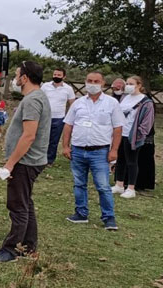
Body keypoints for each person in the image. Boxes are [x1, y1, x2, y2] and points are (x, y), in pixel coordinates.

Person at [0, 61, 51, 263]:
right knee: (25, 203)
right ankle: (28, 246)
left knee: (17, 206)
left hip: (26, 162)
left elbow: (29, 136)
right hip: (28, 161)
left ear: (24, 78)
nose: (15, 79)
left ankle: (11, 250)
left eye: (17, 75)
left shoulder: (33, 101)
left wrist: (10, 163)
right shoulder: (35, 98)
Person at [60, 72, 124, 231]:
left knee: (102, 186)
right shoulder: (78, 103)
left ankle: (109, 218)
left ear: (103, 84)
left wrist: (114, 150)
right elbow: (68, 125)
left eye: (96, 81)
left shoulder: (111, 103)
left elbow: (118, 128)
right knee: (79, 183)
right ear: (85, 82)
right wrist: (65, 146)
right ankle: (81, 213)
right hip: (78, 150)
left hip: (100, 152)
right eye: (89, 81)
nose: (93, 83)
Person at [112, 76, 156, 199]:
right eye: (127, 83)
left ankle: (131, 188)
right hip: (121, 133)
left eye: (131, 83)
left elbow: (147, 122)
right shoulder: (125, 98)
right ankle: (119, 184)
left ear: (139, 85)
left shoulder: (146, 102)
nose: (128, 85)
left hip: (133, 135)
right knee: (120, 160)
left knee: (132, 161)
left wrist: (139, 134)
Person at [40, 68, 76, 166]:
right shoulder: (45, 86)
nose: (56, 76)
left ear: (64, 77)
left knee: (54, 141)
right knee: (42, 139)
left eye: (59, 75)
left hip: (59, 118)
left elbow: (72, 103)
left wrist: (70, 117)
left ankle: (49, 161)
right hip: (45, 117)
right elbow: (40, 99)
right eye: (55, 74)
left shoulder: (68, 89)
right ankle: (39, 159)